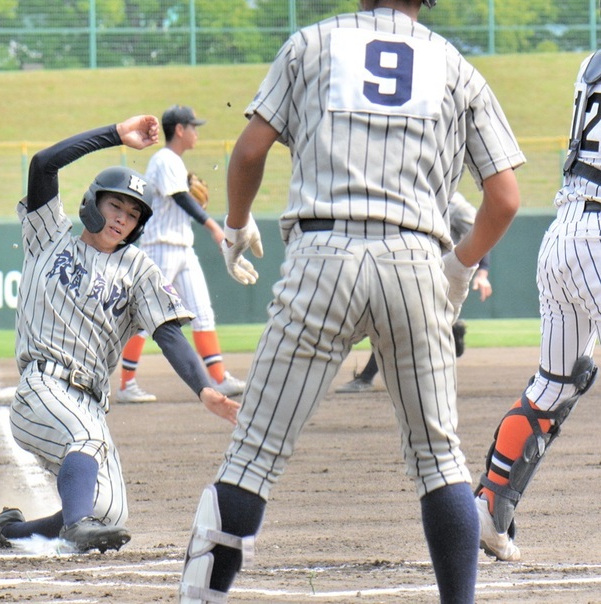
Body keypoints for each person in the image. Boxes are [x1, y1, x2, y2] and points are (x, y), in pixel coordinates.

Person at [178, 1, 525, 602]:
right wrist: (461, 264)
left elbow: (250, 152)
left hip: (323, 254)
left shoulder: (311, 43)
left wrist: (235, 225)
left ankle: (200, 597)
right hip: (415, 260)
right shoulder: (455, 65)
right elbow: (505, 198)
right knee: (440, 461)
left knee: (254, 454)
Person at [0, 115, 240, 554]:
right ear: (93, 203)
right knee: (85, 447)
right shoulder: (49, 238)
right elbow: (43, 165)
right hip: (41, 387)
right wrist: (115, 135)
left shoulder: (138, 270)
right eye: (116, 206)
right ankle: (76, 527)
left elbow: (169, 334)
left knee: (109, 515)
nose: (123, 219)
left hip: (90, 403)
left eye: (133, 214)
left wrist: (204, 389)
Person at [474, 49, 601, 563]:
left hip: (565, 231)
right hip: (597, 234)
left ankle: (488, 509)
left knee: (555, 384)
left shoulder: (592, 61)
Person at [116, 105, 245, 404]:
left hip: (182, 248)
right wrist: (213, 226)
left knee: (202, 312)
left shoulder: (173, 162)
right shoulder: (164, 159)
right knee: (146, 319)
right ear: (179, 130)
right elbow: (180, 197)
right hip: (160, 248)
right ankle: (126, 384)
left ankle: (219, 379)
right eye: (193, 126)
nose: (197, 132)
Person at [336, 192, 493, 393]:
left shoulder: (454, 203)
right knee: (401, 321)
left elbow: (481, 231)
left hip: (436, 272)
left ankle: (366, 377)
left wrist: (482, 271)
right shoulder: (403, 193)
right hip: (401, 265)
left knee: (395, 320)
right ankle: (450, 332)